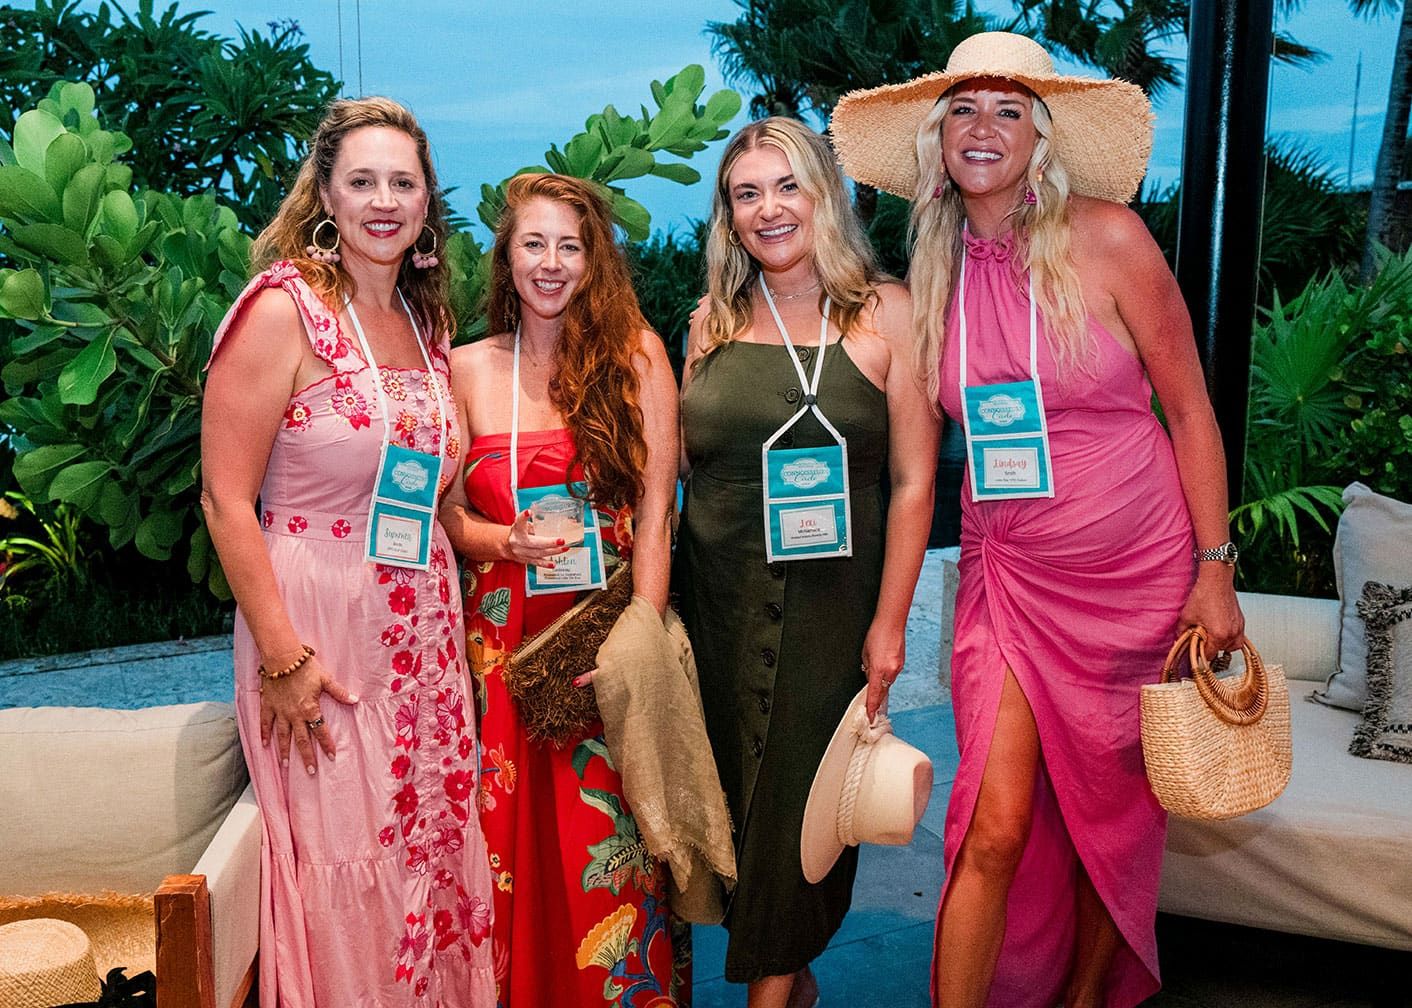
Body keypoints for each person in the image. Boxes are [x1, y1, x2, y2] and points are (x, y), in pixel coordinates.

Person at [830, 31, 1247, 1008]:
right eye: (964, 110)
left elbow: (1189, 410)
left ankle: (1082, 998)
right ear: (939, 138)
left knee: (1113, 818)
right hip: (1008, 577)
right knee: (992, 824)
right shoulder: (931, 269)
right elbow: (905, 452)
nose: (983, 128)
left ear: (1039, 136)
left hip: (1136, 577)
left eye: (1007, 109)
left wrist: (1214, 568)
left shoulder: (1111, 239)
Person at [200, 97, 495, 1006]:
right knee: (346, 849)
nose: (384, 200)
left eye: (403, 182)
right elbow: (224, 498)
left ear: (427, 201)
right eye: (362, 181)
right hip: (318, 634)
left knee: (428, 837)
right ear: (324, 194)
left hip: (423, 632)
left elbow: (431, 493)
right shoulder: (281, 310)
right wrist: (283, 657)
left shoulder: (425, 322)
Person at [676, 117, 940, 1008]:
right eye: (746, 193)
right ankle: (796, 981)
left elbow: (913, 482)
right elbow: (678, 468)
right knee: (736, 813)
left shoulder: (887, 312)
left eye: (787, 185)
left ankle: (775, 989)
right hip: (715, 604)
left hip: (831, 611)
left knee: (802, 812)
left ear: (824, 194)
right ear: (729, 215)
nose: (769, 209)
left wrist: (890, 626)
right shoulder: (709, 323)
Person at [438, 172, 684, 1006]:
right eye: (533, 244)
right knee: (505, 854)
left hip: (602, 646)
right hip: (499, 661)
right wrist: (501, 540)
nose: (551, 263)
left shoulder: (635, 356)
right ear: (506, 258)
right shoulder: (464, 368)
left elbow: (657, 512)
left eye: (569, 247)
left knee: (606, 854)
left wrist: (638, 641)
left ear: (594, 260)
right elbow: (449, 515)